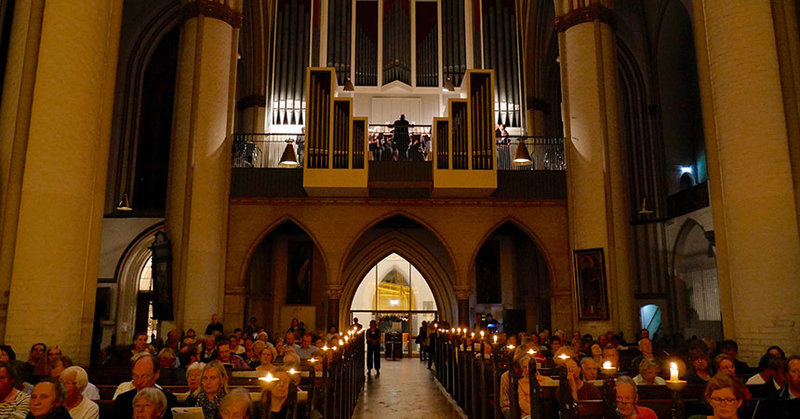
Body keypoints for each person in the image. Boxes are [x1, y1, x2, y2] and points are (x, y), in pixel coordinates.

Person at [112, 354, 178, 419]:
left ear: (156, 374)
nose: (139, 382)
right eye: (136, 376)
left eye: (144, 376)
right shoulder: (122, 401)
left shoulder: (169, 400)